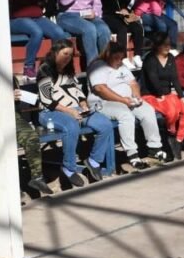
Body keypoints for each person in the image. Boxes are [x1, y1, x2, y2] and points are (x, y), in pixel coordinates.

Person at [37, 40, 116, 185]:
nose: (68, 57)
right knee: (71, 126)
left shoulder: (68, 68)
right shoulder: (45, 69)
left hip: (76, 109)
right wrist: (70, 111)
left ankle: (94, 161)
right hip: (51, 112)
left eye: (70, 55)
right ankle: (69, 168)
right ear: (55, 52)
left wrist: (83, 104)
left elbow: (77, 90)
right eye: (65, 54)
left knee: (105, 124)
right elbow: (47, 100)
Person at [88, 43, 169, 170]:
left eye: (121, 58)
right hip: (104, 102)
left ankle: (155, 148)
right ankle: (132, 153)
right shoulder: (98, 66)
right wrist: (122, 100)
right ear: (108, 55)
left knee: (148, 110)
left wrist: (136, 96)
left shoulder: (122, 66)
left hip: (126, 100)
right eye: (116, 58)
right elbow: (100, 88)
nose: (119, 61)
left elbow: (133, 83)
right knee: (125, 115)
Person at [8, 0, 69, 79]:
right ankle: (28, 66)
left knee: (59, 33)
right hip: (16, 19)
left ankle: (56, 66)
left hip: (37, 17)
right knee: (37, 32)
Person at [140, 31, 184, 161]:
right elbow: (153, 79)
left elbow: (175, 78)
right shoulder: (150, 59)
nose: (167, 47)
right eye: (164, 44)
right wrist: (160, 94)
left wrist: (181, 96)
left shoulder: (170, 58)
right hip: (152, 94)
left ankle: (179, 139)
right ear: (157, 45)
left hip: (167, 94)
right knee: (171, 111)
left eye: (169, 44)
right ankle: (171, 132)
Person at [96, 0, 144, 67]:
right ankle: (124, 58)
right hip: (108, 14)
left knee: (137, 27)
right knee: (121, 28)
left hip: (122, 13)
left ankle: (137, 56)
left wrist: (126, 9)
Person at [13, 77, 54, 196]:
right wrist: (5, 98)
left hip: (13, 116)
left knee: (31, 137)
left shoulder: (10, 77)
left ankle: (37, 177)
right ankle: (10, 186)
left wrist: (24, 97)